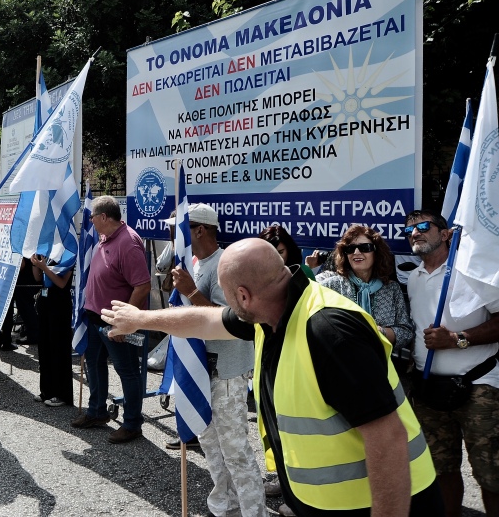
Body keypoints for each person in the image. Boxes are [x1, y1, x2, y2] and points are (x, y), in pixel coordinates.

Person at [102, 238, 443, 516]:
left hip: (379, 505)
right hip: (330, 503)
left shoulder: (329, 332)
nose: (230, 308)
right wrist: (140, 318)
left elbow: (389, 439)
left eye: (230, 297)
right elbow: (205, 320)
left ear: (244, 296)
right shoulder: (273, 310)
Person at [167, 204, 267, 517]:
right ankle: (225, 505)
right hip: (200, 371)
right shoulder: (192, 262)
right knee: (210, 442)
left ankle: (254, 511)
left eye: (179, 228)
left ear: (199, 230)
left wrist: (191, 291)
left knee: (235, 449)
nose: (173, 234)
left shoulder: (225, 264)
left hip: (226, 371)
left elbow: (234, 323)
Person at [403, 209, 499, 517]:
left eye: (422, 226)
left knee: (491, 475)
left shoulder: (472, 271)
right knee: (440, 469)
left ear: (446, 234)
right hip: (429, 390)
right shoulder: (413, 279)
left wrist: (457, 339)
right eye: (409, 230)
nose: (415, 233)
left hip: (478, 387)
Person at [72, 195, 151, 444]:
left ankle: (132, 424)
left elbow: (143, 286)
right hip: (96, 318)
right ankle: (97, 412)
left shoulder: (128, 243)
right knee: (94, 366)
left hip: (115, 323)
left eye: (93, 217)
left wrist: (122, 323)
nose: (91, 221)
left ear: (104, 217)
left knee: (127, 371)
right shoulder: (105, 238)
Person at [318, 225, 414, 354]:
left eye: (365, 248)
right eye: (351, 249)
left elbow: (406, 332)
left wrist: (379, 332)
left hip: (381, 364)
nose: (357, 253)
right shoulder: (331, 286)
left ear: (377, 252)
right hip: (340, 363)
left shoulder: (391, 288)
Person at [30, 254, 73, 406]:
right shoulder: (46, 254)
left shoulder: (68, 255)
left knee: (58, 349)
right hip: (45, 302)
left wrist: (44, 268)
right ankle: (46, 390)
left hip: (59, 305)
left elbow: (61, 283)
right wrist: (35, 264)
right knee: (44, 348)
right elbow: (37, 278)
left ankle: (61, 394)